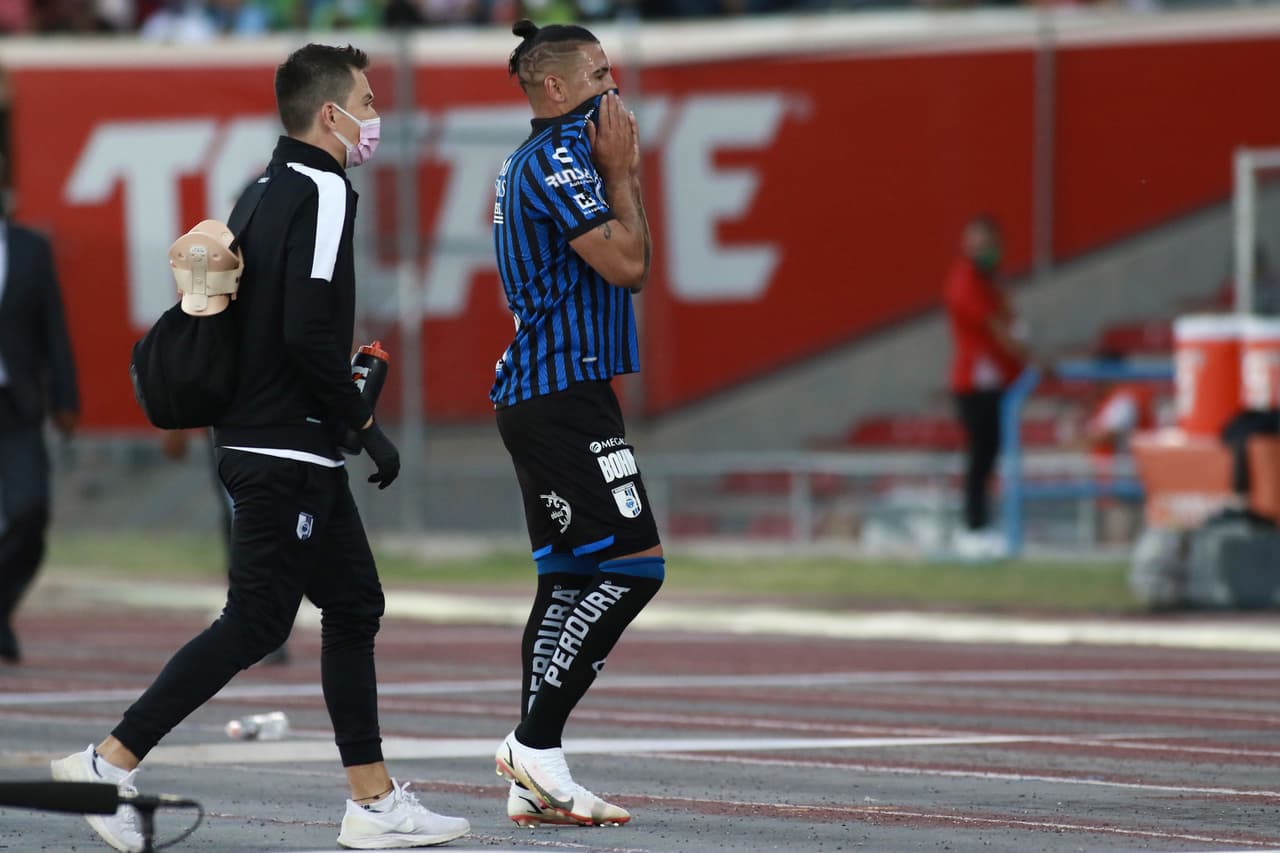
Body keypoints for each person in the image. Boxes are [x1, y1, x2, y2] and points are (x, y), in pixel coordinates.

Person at [50, 43, 470, 851]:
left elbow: (269, 324)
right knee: (255, 620)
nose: (375, 114)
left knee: (353, 605)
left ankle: (372, 800)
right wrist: (363, 425)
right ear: (328, 113)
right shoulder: (321, 188)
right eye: (367, 99)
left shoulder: (261, 186)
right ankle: (106, 764)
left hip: (271, 436)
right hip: (285, 445)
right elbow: (307, 332)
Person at [490, 19, 664, 829]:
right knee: (634, 567)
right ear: (555, 88)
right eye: (599, 73)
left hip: (553, 390)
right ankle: (534, 742)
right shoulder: (563, 158)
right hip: (559, 393)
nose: (615, 87)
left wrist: (619, 174)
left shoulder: (550, 156)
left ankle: (537, 769)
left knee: (564, 577)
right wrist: (625, 175)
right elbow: (629, 265)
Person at [0, 184, 79, 664]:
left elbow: (54, 324)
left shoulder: (31, 248)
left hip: (17, 403)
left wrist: (66, 398)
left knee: (31, 511)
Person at [943, 215, 1046, 559]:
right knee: (980, 457)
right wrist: (1033, 359)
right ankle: (973, 528)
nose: (983, 251)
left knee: (989, 457)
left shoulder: (990, 281)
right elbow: (997, 330)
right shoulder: (967, 282)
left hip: (994, 379)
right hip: (976, 382)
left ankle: (983, 525)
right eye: (977, 245)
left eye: (988, 244)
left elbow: (1009, 318)